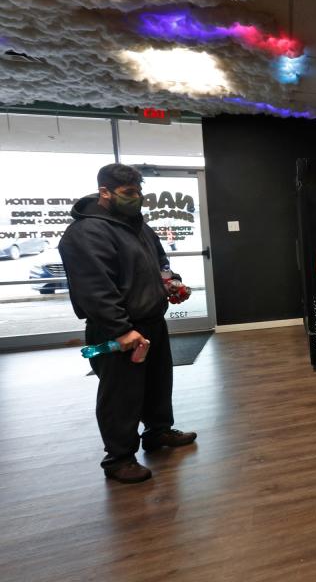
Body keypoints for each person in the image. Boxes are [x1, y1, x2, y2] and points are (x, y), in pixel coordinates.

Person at [60, 163, 196, 484]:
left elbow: (160, 263)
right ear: (104, 192)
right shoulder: (86, 232)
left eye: (139, 192)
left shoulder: (137, 225)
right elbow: (95, 288)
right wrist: (121, 329)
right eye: (128, 193)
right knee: (121, 394)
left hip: (151, 321)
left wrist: (170, 282)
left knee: (157, 382)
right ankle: (119, 458)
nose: (137, 199)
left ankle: (157, 432)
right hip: (117, 328)